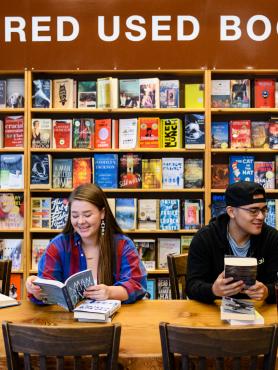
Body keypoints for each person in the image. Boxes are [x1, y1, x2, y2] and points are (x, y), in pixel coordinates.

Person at [26, 183, 147, 304]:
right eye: (74, 215)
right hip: (68, 321)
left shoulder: (123, 245)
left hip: (115, 320)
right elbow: (47, 287)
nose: (81, 221)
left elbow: (137, 285)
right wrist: (36, 290)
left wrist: (109, 292)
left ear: (102, 213)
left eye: (87, 215)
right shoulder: (58, 245)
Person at [186, 181, 278, 304]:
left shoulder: (272, 238)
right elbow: (191, 287)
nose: (261, 216)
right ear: (231, 212)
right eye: (253, 210)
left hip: (260, 314)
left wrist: (268, 291)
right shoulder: (205, 238)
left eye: (263, 210)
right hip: (214, 314)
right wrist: (213, 290)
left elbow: (275, 284)